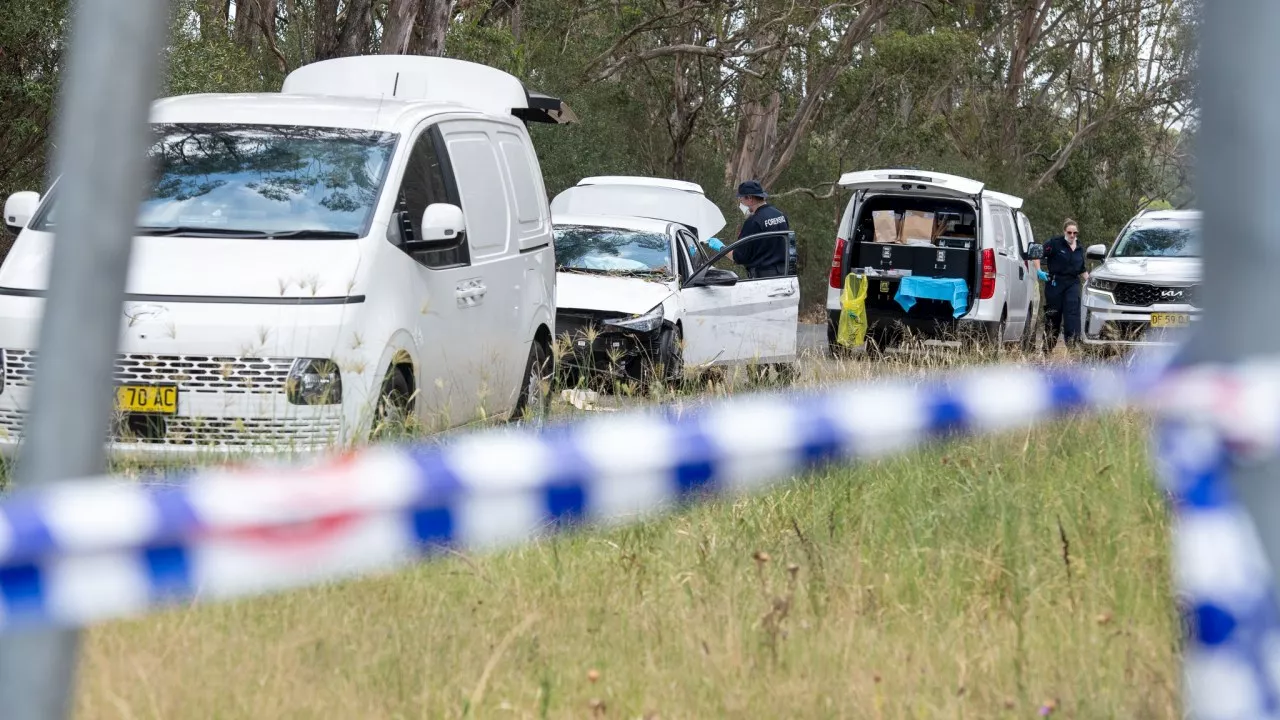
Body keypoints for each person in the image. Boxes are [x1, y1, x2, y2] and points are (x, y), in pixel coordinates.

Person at [714, 180, 789, 279]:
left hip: (764, 279)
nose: (741, 202)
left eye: (741, 199)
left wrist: (721, 248)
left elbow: (739, 257)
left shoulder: (753, 222)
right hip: (786, 276)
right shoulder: (780, 215)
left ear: (749, 198)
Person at [1040, 218, 1088, 351]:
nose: (1072, 235)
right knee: (1053, 316)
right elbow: (1037, 254)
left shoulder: (1079, 248)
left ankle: (1073, 348)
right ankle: (1047, 349)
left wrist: (1090, 281)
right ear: (1064, 232)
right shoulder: (1054, 243)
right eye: (1069, 232)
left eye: (1075, 233)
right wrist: (1039, 271)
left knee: (1072, 315)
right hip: (1055, 284)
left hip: (1072, 283)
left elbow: (1082, 269)